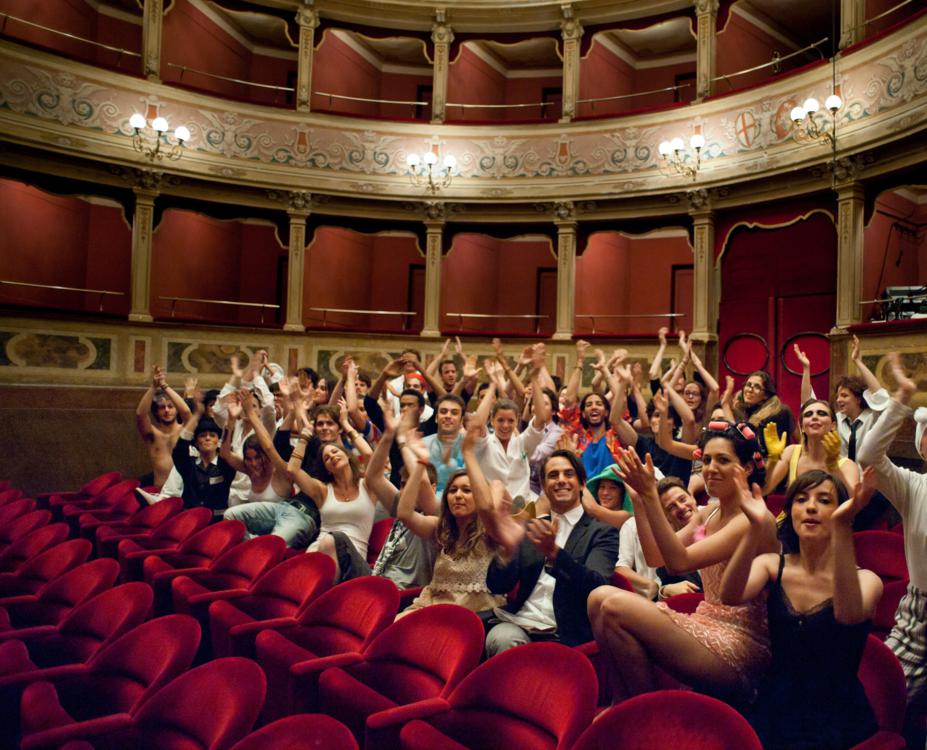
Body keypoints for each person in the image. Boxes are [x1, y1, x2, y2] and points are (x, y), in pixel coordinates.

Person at [588, 421, 778, 704]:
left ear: (747, 468)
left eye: (723, 460)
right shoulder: (708, 513)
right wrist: (640, 501)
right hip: (706, 621)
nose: (711, 468)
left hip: (741, 642)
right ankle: (625, 706)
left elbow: (679, 562)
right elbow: (656, 558)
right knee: (597, 599)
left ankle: (647, 713)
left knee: (613, 605)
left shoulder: (754, 519)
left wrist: (652, 495)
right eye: (708, 460)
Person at [720, 469, 882, 749]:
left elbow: (847, 615)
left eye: (824, 500)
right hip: (775, 709)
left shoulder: (868, 580)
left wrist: (842, 526)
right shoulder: (773, 564)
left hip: (837, 718)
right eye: (801, 499)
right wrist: (755, 527)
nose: (811, 507)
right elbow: (730, 595)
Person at [483, 449, 619, 654]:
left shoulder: (601, 532)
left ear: (582, 483)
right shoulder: (531, 528)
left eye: (568, 474)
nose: (561, 480)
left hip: (567, 632)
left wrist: (556, 555)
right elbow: (497, 585)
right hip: (520, 623)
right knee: (502, 639)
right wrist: (506, 552)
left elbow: (598, 586)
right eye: (553, 475)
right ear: (544, 486)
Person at [857, 352, 927, 732]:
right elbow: (869, 455)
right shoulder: (914, 486)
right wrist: (901, 397)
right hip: (918, 620)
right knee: (874, 708)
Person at [393, 426, 506, 619]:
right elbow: (404, 514)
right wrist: (421, 463)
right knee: (394, 626)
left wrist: (469, 454)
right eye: (453, 491)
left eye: (467, 490)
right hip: (432, 606)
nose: (458, 495)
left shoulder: (490, 531)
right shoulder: (441, 528)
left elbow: (496, 488)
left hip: (471, 617)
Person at [220, 390, 313, 548]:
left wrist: (251, 413)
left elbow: (269, 447)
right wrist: (230, 419)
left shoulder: (281, 471)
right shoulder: (250, 470)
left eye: (258, 458)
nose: (254, 463)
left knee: (270, 544)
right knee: (230, 520)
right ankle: (249, 548)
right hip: (257, 528)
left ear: (267, 457)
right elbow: (225, 454)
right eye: (249, 459)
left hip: (283, 523)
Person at [797, 335, 889, 460]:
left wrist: (857, 361)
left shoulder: (873, 418)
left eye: (844, 395)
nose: (838, 400)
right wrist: (806, 369)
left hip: (868, 471)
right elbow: (808, 404)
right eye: (838, 396)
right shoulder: (836, 420)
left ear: (858, 399)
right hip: (840, 470)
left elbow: (880, 397)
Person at [615, 476, 702, 600]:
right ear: (666, 516)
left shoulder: (711, 514)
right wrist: (663, 590)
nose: (681, 507)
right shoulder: (668, 547)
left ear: (692, 497)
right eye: (671, 507)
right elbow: (655, 560)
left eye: (682, 499)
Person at [764, 398, 860, 500]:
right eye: (808, 414)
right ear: (802, 427)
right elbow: (765, 489)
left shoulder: (847, 465)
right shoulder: (791, 452)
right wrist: (773, 461)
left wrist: (834, 467)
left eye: (822, 413)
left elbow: (854, 502)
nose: (814, 417)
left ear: (833, 426)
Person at [559, 340, 625, 478]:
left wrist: (605, 370)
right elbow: (569, 400)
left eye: (599, 404)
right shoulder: (578, 436)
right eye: (589, 405)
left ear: (606, 412)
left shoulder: (616, 434)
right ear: (583, 414)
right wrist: (579, 362)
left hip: (611, 489)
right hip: (583, 490)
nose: (594, 406)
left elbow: (621, 398)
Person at [170, 395, 236, 513]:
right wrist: (196, 415)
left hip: (217, 519)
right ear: (196, 442)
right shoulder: (189, 465)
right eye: (202, 435)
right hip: (191, 517)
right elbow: (179, 450)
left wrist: (230, 422)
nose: (207, 438)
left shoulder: (224, 464)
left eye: (212, 435)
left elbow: (227, 446)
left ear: (218, 441)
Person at [135, 365, 191, 487]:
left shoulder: (184, 431)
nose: (166, 410)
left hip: (184, 492)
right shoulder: (152, 435)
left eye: (170, 406)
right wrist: (154, 387)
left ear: (176, 410)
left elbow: (186, 412)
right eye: (162, 407)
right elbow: (140, 414)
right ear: (156, 412)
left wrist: (164, 386)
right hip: (161, 492)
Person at [732, 370, 796, 454]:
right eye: (748, 385)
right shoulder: (741, 408)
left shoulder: (778, 413)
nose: (750, 390)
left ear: (766, 395)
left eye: (757, 387)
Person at [423, 393, 467, 496]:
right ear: (436, 418)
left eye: (454, 413)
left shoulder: (470, 445)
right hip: (427, 498)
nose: (448, 416)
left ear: (461, 420)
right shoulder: (422, 444)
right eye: (443, 412)